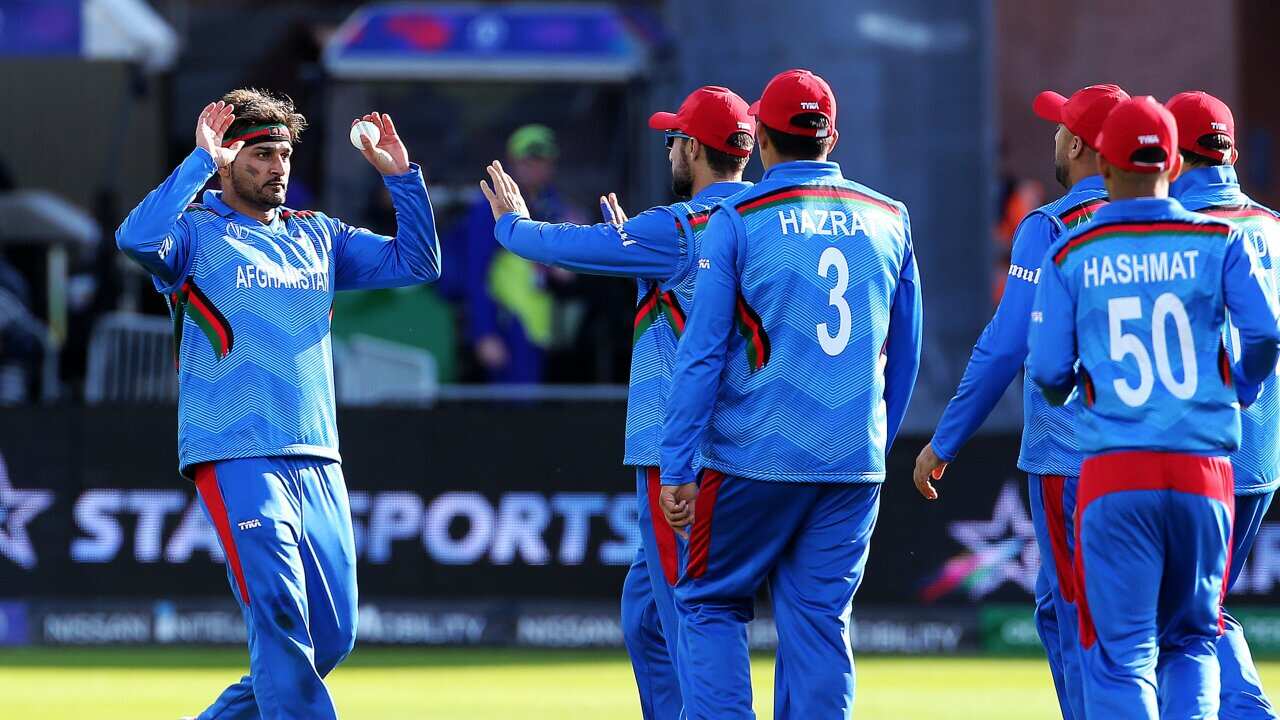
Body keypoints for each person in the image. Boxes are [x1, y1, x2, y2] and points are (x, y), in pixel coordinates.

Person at [115, 90, 441, 720]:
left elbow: (418, 262)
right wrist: (196, 165)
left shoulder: (318, 235)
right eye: (261, 155)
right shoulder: (190, 235)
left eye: (284, 154)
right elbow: (135, 238)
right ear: (229, 159)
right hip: (234, 451)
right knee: (280, 612)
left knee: (331, 636)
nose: (277, 168)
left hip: (317, 454)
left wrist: (400, 178)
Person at [480, 85, 754, 720]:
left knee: (690, 619)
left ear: (692, 148)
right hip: (741, 442)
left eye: (673, 140)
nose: (669, 151)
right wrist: (634, 252)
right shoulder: (762, 220)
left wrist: (512, 225)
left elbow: (565, 248)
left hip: (678, 454)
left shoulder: (680, 226)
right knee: (646, 615)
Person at [657, 68, 922, 719]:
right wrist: (876, 444)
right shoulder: (890, 217)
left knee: (710, 603)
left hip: (754, 458)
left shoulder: (738, 217)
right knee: (822, 624)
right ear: (832, 137)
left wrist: (677, 463)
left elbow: (703, 354)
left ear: (764, 141)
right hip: (852, 463)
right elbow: (906, 353)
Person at [1028, 96, 1280, 720]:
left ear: (1105, 166)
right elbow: (1267, 334)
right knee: (1192, 639)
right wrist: (1241, 387)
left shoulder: (1071, 249)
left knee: (1120, 652)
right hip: (1205, 469)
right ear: (1171, 163)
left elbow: (1048, 372)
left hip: (1117, 469)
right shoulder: (1220, 239)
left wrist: (1077, 390)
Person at [911, 83, 1128, 719]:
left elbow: (1006, 346)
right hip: (1162, 456)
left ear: (1084, 146)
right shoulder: (1175, 224)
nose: (1053, 139)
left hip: (1070, 457)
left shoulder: (1052, 225)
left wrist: (944, 440)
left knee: (1072, 614)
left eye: (1061, 129)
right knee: (1142, 621)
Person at [1167, 89, 1279, 719]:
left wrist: (1234, 388)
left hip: (1197, 457)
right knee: (1199, 610)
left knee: (1179, 621)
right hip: (1261, 458)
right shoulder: (1271, 226)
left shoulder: (1181, 235)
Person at [461, 124, 569, 383]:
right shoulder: (490, 206)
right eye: (528, 161)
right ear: (512, 162)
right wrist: (484, 332)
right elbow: (475, 271)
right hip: (508, 326)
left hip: (543, 328)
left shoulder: (552, 205)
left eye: (543, 161)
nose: (536, 168)